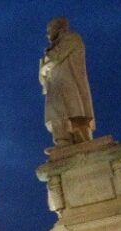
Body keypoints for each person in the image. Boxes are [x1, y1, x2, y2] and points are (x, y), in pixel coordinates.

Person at [39, 17, 95, 146]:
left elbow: (55, 57)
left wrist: (45, 64)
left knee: (72, 112)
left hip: (69, 84)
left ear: (58, 28)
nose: (47, 34)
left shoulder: (72, 38)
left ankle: (79, 140)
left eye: (49, 30)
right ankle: (62, 141)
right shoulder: (55, 46)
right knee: (56, 113)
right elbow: (43, 75)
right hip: (56, 85)